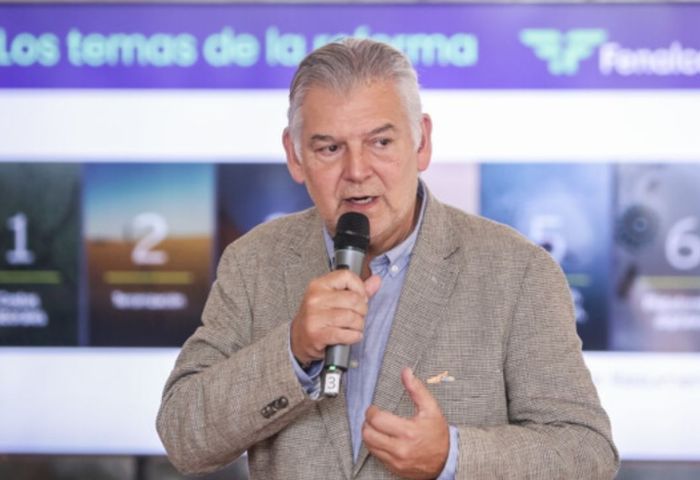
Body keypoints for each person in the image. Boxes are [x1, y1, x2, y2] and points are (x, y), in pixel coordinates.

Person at [156, 38, 619, 479]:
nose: (357, 171)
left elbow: (587, 453)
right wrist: (293, 350)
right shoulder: (254, 261)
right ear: (295, 156)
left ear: (421, 142)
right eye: (329, 148)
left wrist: (451, 456)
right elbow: (183, 437)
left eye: (380, 142)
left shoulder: (519, 272)